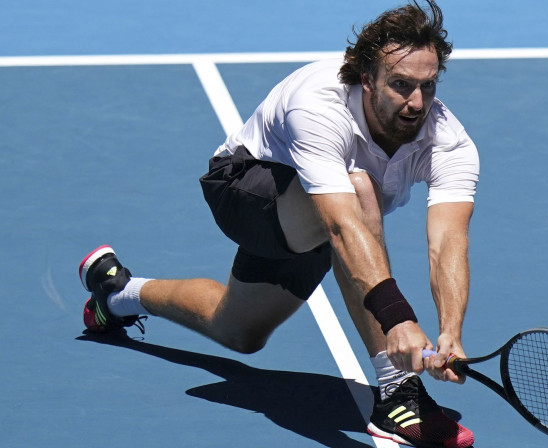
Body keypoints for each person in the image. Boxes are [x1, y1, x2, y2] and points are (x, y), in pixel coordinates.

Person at [79, 1, 478, 447]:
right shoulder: (319, 106)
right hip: (243, 188)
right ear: (367, 79)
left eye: (427, 86)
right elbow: (344, 227)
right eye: (401, 85)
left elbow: (448, 241)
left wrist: (450, 331)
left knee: (238, 331)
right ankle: (397, 394)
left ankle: (117, 293)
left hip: (318, 218)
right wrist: (398, 320)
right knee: (358, 190)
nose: (417, 102)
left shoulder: (449, 141)